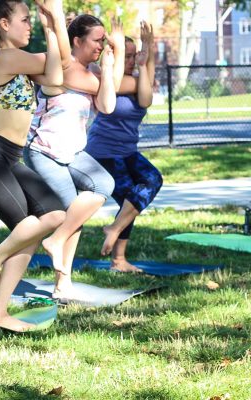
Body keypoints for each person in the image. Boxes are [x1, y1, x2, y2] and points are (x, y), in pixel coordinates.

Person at [0, 0, 70, 330]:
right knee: (38, 223)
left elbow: (58, 74)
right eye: (25, 20)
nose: (29, 25)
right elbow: (58, 65)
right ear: (4, 25)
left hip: (8, 157)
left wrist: (53, 24)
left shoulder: (17, 63)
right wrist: (54, 22)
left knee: (43, 222)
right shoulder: (5, 58)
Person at [23, 14, 124, 300]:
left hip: (73, 152)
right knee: (70, 211)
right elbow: (105, 91)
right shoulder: (62, 68)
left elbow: (106, 105)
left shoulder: (92, 74)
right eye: (97, 40)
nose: (101, 45)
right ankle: (61, 281)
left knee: (101, 186)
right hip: (44, 150)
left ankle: (56, 246)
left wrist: (108, 62)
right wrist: (110, 67)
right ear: (76, 41)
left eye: (104, 40)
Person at [85, 22, 162, 273]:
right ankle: (118, 259)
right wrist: (121, 55)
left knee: (152, 181)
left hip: (127, 151)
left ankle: (116, 236)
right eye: (125, 56)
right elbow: (121, 86)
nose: (130, 60)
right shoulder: (102, 75)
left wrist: (146, 52)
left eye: (132, 55)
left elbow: (147, 98)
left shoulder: (139, 78)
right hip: (103, 152)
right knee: (131, 196)